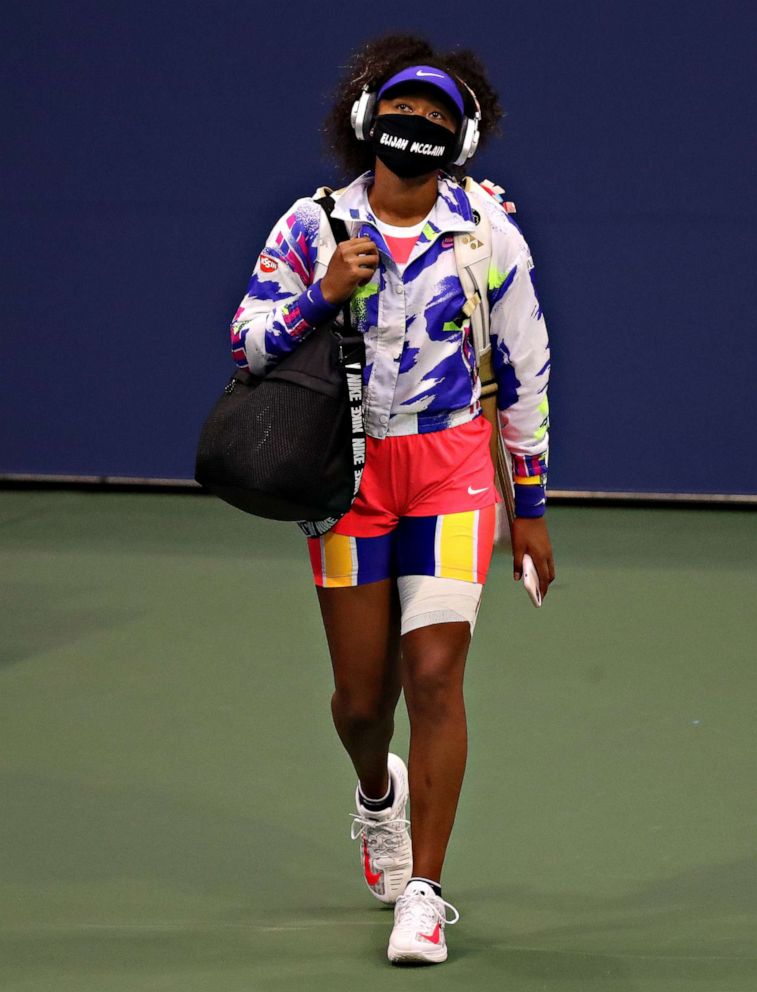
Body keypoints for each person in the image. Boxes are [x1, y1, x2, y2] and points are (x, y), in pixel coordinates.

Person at [230, 34, 555, 965]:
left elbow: (526, 369)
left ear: (462, 139)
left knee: (437, 677)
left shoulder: (487, 231)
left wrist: (526, 506)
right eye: (403, 115)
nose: (416, 130)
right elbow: (247, 345)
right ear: (368, 122)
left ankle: (425, 889)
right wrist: (318, 297)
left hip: (452, 471)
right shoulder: (312, 226)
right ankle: (379, 795)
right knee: (360, 698)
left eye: (436, 121)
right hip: (349, 482)